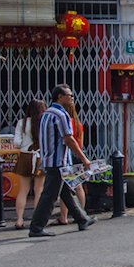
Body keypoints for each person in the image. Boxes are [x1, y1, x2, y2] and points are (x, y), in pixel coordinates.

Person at [28, 85, 95, 238]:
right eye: (69, 95)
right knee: (49, 196)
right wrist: (84, 158)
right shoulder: (60, 114)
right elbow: (68, 139)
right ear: (60, 96)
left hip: (51, 161)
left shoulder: (47, 113)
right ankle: (36, 227)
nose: (72, 99)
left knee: (66, 192)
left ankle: (82, 219)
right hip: (58, 162)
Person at [13, 100, 47, 230]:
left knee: (23, 190)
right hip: (40, 156)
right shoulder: (44, 122)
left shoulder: (22, 122)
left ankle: (19, 220)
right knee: (39, 190)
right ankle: (36, 219)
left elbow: (16, 142)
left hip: (25, 156)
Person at [58, 102, 87, 225]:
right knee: (78, 186)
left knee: (65, 187)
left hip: (67, 155)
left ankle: (63, 216)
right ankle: (81, 212)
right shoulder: (78, 124)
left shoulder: (64, 122)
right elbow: (80, 142)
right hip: (78, 155)